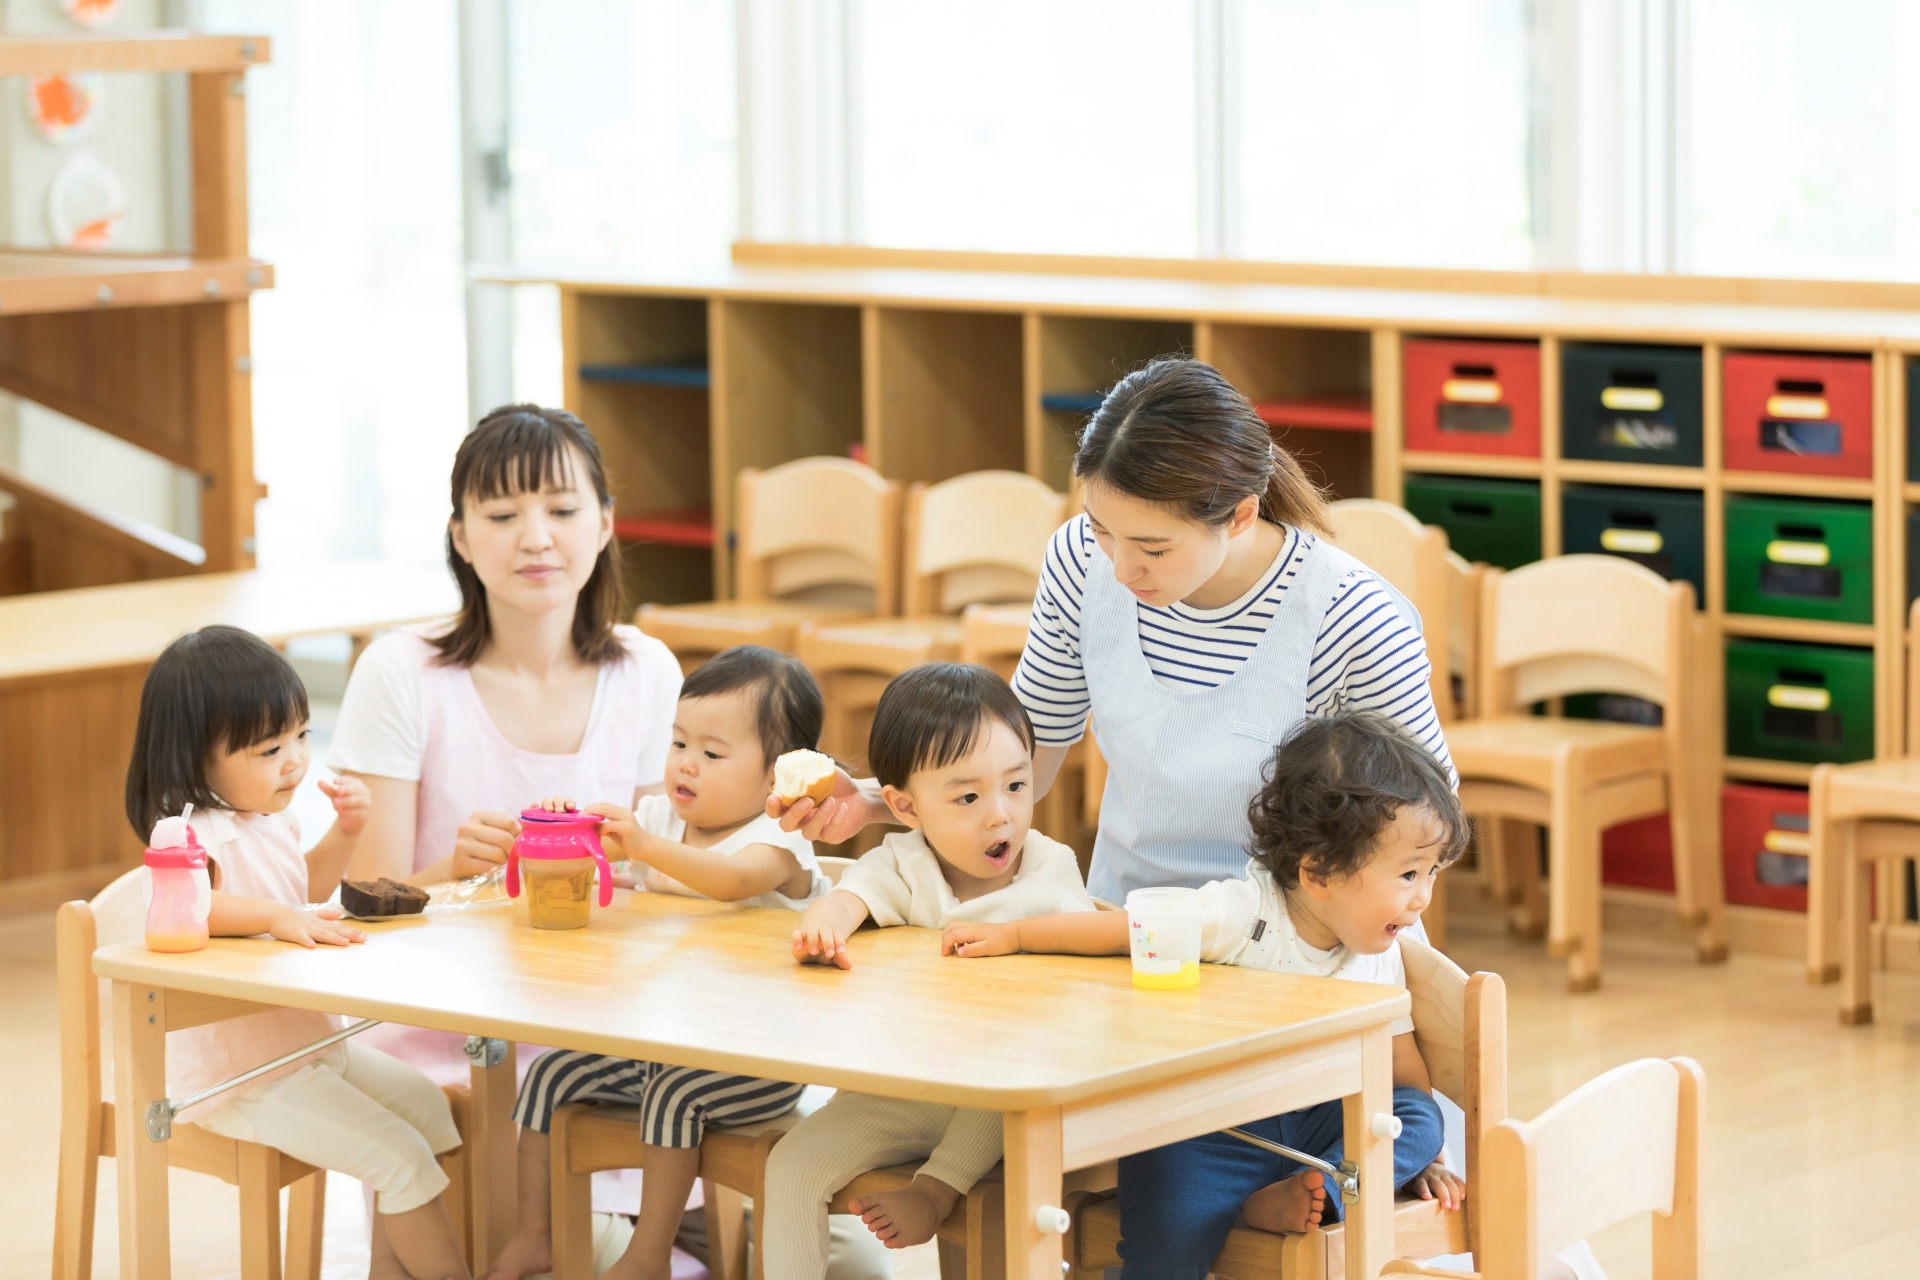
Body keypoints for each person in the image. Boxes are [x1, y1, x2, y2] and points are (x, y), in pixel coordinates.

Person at [772, 357, 1452, 908]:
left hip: (1291, 942)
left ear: (1241, 515)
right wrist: (869, 801)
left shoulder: (1352, 616)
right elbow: (1021, 769)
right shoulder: (1078, 560)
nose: (1123, 568)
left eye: (1154, 548)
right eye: (1103, 530)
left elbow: (1427, 828)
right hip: (1123, 924)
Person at [943, 709, 1463, 1278]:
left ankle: (1307, 1198)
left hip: (1319, 1129)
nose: (1423, 900)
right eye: (1409, 875)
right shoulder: (1242, 914)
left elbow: (1402, 1072)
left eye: (1433, 873)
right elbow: (1122, 931)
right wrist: (1014, 935)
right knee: (1165, 1221)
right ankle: (1252, 1209)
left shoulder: (1381, 952)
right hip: (1214, 1131)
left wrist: (1426, 1160)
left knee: (1419, 1118)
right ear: (1317, 873)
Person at [327, 404, 682, 1080]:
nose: (536, 538)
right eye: (501, 516)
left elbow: (666, 886)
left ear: (605, 523)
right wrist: (453, 875)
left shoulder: (648, 671)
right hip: (439, 1029)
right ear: (460, 537)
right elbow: (366, 906)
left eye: (562, 510)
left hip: (610, 1023)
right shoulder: (400, 670)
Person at [124, 626, 470, 1280]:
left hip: (306, 1048)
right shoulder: (185, 832)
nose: (294, 761)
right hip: (242, 1079)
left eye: (302, 737)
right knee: (401, 1160)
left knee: (430, 1111)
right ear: (196, 757)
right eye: (268, 748)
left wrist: (347, 831)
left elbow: (302, 888)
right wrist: (277, 918)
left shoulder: (270, 819)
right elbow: (191, 906)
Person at [485, 645, 833, 1280]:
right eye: (678, 743)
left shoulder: (779, 843)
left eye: (712, 752)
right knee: (549, 1075)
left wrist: (644, 846)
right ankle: (537, 1232)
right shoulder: (657, 819)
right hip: (659, 1047)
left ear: (777, 776)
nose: (686, 764)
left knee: (674, 1093)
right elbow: (601, 861)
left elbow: (728, 880)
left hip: (757, 1064)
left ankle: (648, 1256)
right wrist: (568, 829)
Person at [765, 664, 1096, 1279]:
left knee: (1015, 1075)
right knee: (790, 1164)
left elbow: (1082, 977)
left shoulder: (1051, 869)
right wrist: (824, 923)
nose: (1000, 816)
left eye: (1017, 786)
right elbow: (848, 897)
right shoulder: (902, 862)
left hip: (1001, 1100)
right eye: (968, 797)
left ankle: (936, 1189)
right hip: (904, 1090)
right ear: (904, 806)